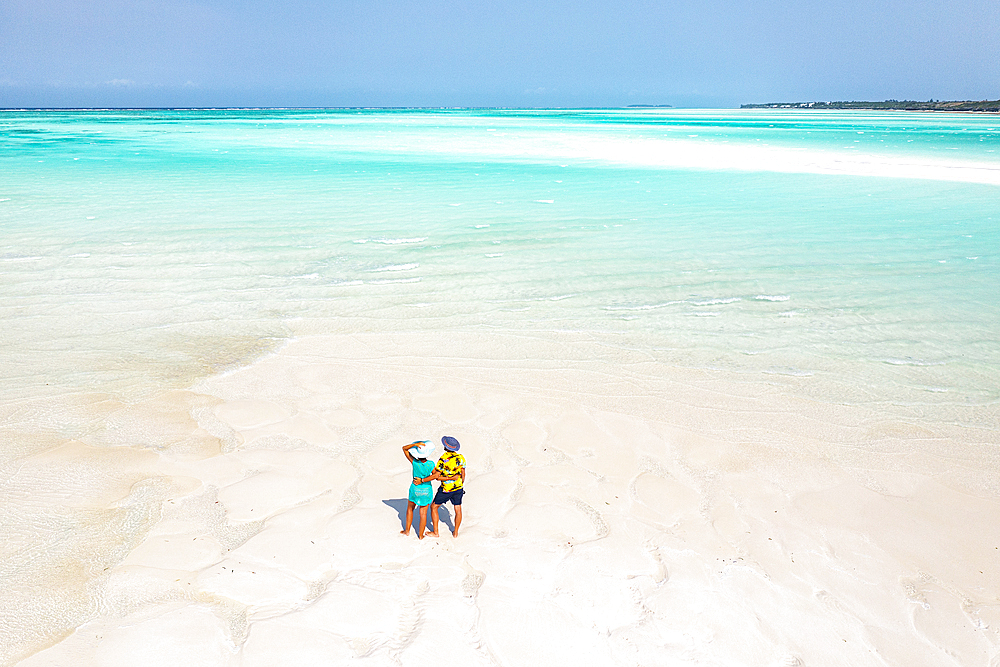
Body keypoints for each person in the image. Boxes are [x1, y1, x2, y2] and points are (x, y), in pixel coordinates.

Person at [414, 435, 466, 537]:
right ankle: (455, 532)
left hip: (446, 489)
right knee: (458, 509)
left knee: (434, 507)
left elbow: (437, 476)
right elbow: (463, 474)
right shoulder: (461, 457)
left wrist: (423, 480)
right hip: (458, 488)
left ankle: (436, 532)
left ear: (445, 447)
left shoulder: (443, 459)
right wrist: (459, 484)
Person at [401, 440, 436, 539]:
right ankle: (420, 535)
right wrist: (424, 480)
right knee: (423, 513)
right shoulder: (431, 464)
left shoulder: (415, 462)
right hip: (426, 489)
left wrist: (414, 445)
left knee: (410, 509)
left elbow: (404, 448)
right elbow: (435, 476)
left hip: (415, 489)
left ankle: (407, 530)